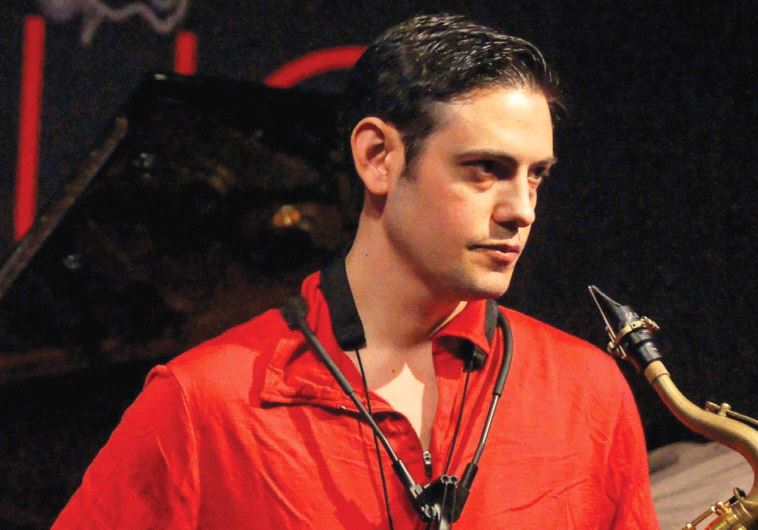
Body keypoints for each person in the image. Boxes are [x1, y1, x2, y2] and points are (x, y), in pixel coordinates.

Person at [54, 14, 660, 529]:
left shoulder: (591, 393)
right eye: (485, 169)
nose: (522, 209)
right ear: (377, 157)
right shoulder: (200, 403)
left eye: (536, 175)